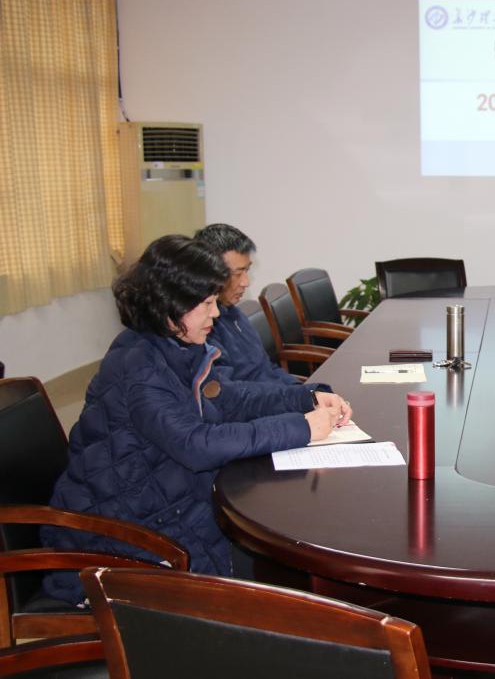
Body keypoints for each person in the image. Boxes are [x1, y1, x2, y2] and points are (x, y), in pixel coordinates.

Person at [42, 235, 352, 604]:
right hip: (121, 538)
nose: (216, 313)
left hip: (167, 505)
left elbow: (231, 398)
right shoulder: (138, 367)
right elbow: (196, 445)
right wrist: (302, 428)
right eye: (206, 304)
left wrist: (304, 397)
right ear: (169, 305)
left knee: (285, 558)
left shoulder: (175, 348)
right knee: (280, 580)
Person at [194, 222, 299, 385]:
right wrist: (297, 396)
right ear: (211, 272)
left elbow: (267, 368)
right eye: (237, 274)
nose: (246, 282)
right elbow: (234, 394)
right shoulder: (203, 330)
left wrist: (303, 390)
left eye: (247, 271)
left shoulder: (234, 313)